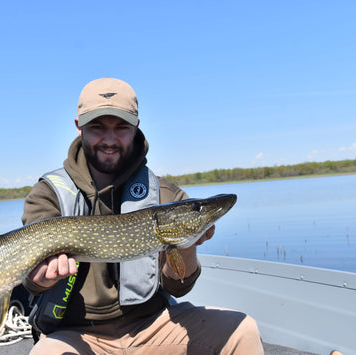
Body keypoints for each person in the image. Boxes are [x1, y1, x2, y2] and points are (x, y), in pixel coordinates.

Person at [22, 77, 263, 354]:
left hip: (152, 326)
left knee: (241, 330)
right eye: (98, 127)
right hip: (76, 334)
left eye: (121, 127)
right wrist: (40, 279)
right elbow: (31, 279)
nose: (110, 139)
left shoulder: (165, 195)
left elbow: (179, 287)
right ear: (79, 128)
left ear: (136, 128)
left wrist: (186, 246)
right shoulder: (48, 194)